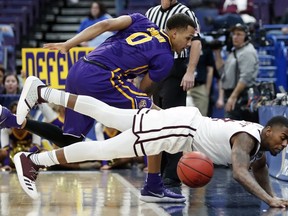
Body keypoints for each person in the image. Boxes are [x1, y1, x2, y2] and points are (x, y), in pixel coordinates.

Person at [8, 76, 288, 208]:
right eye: (283, 137)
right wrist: (269, 200)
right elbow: (240, 172)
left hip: (181, 126)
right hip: (181, 130)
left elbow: (259, 168)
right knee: (106, 146)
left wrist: (272, 196)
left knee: (109, 115)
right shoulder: (248, 137)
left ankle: (43, 92)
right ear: (269, 129)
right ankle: (34, 159)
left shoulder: (256, 143)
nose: (284, 144)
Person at [12, 13, 196, 203]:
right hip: (101, 77)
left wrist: (69, 44)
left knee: (70, 141)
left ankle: (17, 126)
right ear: (174, 33)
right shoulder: (166, 57)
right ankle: (153, 186)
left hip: (79, 69)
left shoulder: (142, 20)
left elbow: (105, 24)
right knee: (153, 122)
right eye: (188, 38)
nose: (189, 44)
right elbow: (144, 90)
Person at [145, 0, 201, 193]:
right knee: (155, 121)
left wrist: (190, 71)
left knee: (173, 121)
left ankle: (172, 175)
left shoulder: (184, 11)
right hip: (155, 70)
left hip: (176, 68)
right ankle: (157, 172)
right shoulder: (151, 12)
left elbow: (196, 41)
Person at [214, 23, 259, 122]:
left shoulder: (247, 52)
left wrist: (233, 97)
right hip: (232, 93)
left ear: (246, 37)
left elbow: (245, 77)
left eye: (239, 34)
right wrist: (217, 53)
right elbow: (222, 73)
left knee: (236, 127)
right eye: (234, 34)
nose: (235, 37)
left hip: (242, 96)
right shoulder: (235, 51)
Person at [0, 101, 41, 172]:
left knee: (44, 151)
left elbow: (36, 146)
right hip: (13, 154)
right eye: (15, 112)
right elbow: (5, 149)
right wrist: (7, 164)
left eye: (22, 112)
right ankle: (5, 167)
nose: (19, 115)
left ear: (27, 113)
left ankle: (39, 167)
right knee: (2, 152)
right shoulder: (7, 128)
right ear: (11, 113)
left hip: (30, 154)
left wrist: (25, 157)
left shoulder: (34, 124)